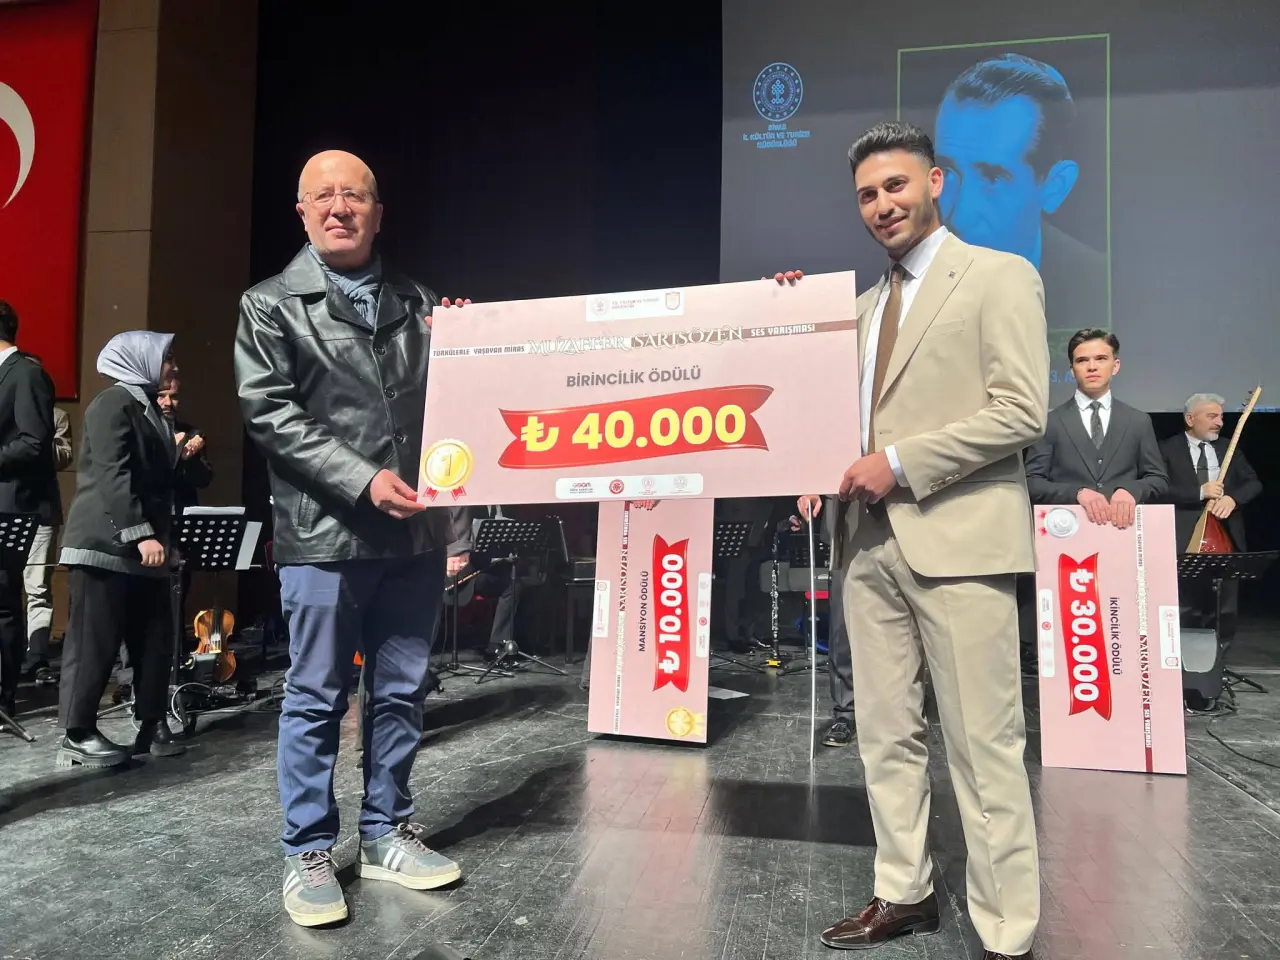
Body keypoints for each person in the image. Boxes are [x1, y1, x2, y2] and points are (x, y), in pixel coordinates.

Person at [796, 120, 1048, 959]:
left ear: (936, 182)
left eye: (896, 185)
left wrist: (899, 463)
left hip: (960, 540)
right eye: (867, 194)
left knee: (983, 744)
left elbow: (1020, 411)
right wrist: (790, 319)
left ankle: (1007, 928)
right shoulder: (857, 313)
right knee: (884, 735)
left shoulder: (998, 276)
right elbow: (832, 422)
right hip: (866, 547)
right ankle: (904, 890)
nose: (882, 204)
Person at [235, 149, 471, 928]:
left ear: (378, 212)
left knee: (402, 692)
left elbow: (462, 410)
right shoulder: (270, 305)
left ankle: (385, 833)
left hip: (413, 537)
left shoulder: (423, 302)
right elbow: (271, 415)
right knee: (316, 696)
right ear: (302, 213)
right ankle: (308, 850)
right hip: (324, 535)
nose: (340, 207)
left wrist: (475, 342)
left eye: (355, 196)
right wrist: (363, 478)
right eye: (324, 196)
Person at [56, 331, 186, 767]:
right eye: (167, 358)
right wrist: (139, 533)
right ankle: (77, 731)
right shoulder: (113, 403)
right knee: (94, 642)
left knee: (154, 639)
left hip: (143, 547)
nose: (174, 366)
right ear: (140, 360)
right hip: (104, 543)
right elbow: (114, 474)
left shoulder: (151, 410)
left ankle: (152, 723)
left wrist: (165, 542)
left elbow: (158, 488)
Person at [934, 53, 1107, 354]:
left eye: (992, 178)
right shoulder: (908, 288)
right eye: (947, 171)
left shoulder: (1102, 286)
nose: (958, 216)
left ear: (1055, 187)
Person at [1024, 329, 1168, 525]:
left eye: (1101, 359)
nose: (1092, 367)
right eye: (1082, 360)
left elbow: (1158, 479)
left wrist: (1131, 490)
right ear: (1072, 370)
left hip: (1122, 530)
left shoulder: (1138, 421)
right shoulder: (1051, 422)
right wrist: (1077, 493)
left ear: (1115, 366)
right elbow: (1032, 482)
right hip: (1068, 531)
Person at [1159, 392, 1263, 632]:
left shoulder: (1228, 448)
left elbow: (1253, 483)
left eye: (1221, 417)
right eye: (1212, 416)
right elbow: (1158, 489)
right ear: (1190, 419)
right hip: (1182, 540)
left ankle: (1220, 652)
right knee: (1186, 607)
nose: (1219, 423)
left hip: (1224, 538)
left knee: (1223, 609)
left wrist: (1232, 499)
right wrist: (1199, 492)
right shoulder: (1166, 449)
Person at [0, 300, 57, 723]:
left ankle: (4, 697)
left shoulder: (26, 374)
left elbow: (34, 442)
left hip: (10, 504)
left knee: (3, 601)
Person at [158, 375, 213, 626]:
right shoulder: (143, 430)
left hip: (180, 527)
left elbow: (204, 478)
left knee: (178, 598)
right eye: (162, 396)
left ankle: (177, 648)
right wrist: (179, 451)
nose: (168, 402)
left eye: (174, 396)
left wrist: (190, 457)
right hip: (152, 527)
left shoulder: (192, 433)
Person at [22, 405, 72, 676]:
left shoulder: (56, 416)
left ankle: (37, 657)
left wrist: (40, 438)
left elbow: (64, 456)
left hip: (42, 513)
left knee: (37, 586)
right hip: (7, 508)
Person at [451, 504, 522, 660]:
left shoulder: (507, 507)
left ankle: (497, 645)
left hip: (488, 569)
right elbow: (462, 543)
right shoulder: (470, 507)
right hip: (463, 571)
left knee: (513, 585)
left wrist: (506, 555)